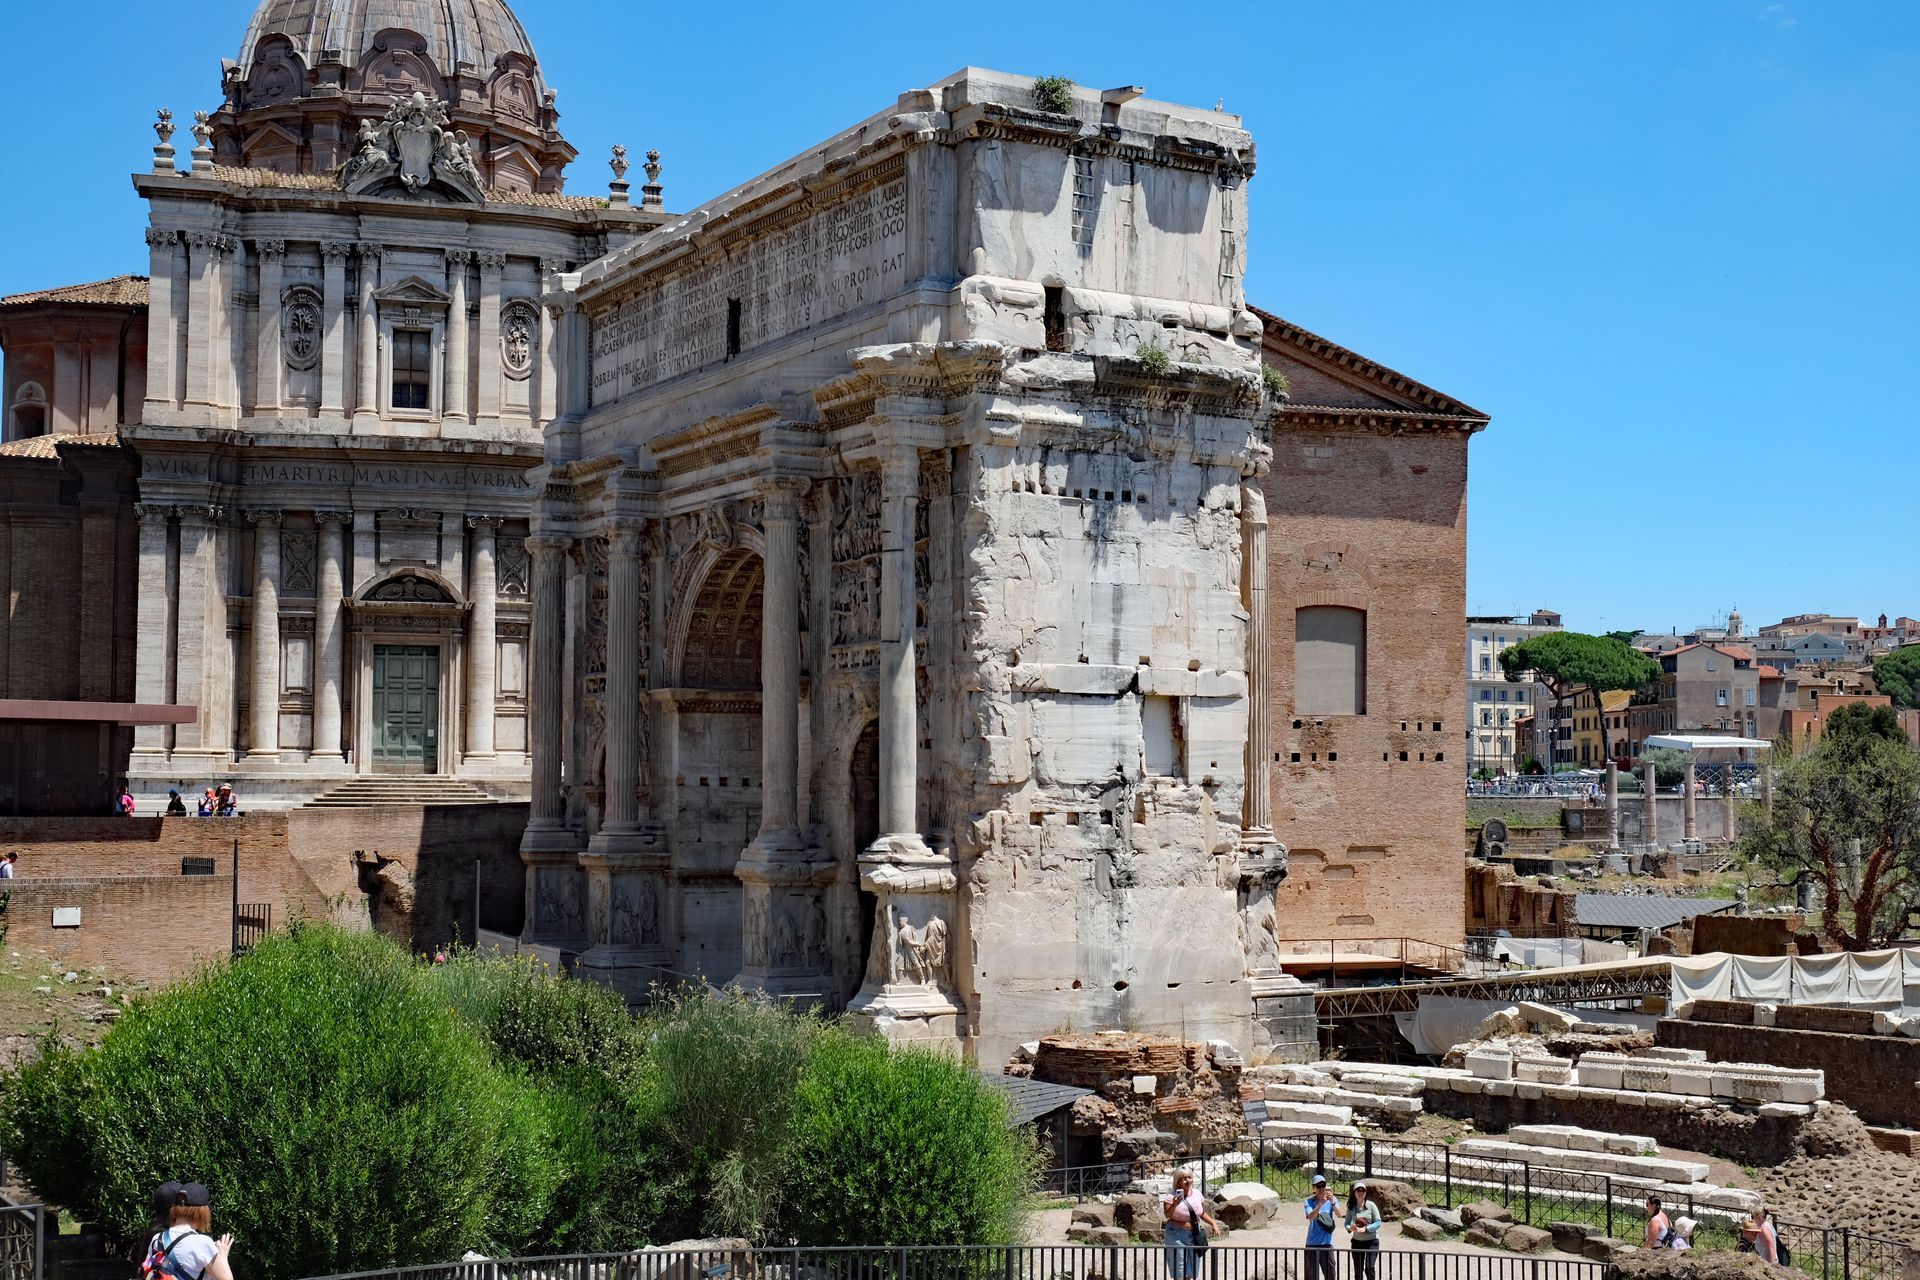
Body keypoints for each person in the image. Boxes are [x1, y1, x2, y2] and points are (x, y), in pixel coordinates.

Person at [142, 1181, 233, 1280]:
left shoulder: (157, 1238)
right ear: (202, 1212)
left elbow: (146, 1272)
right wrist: (222, 1255)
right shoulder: (203, 1243)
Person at [1161, 1169, 1218, 1279]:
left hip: (1193, 1234)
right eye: (1184, 1179)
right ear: (1178, 1182)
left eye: (1189, 1177)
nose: (1188, 1181)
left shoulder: (1197, 1194)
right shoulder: (1170, 1197)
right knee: (1180, 1269)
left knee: (1191, 1270)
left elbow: (1202, 1213)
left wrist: (1213, 1223)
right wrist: (1174, 1204)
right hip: (1176, 1234)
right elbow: (1168, 1215)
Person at [1303, 1173, 1340, 1280]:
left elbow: (1339, 1214)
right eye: (1318, 1186)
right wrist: (1320, 1204)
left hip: (1327, 1244)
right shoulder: (1309, 1201)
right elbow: (1310, 1217)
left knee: (1331, 1275)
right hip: (1312, 1243)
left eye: (1323, 1185)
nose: (1321, 1188)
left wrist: (1332, 1202)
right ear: (1313, 1187)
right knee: (1311, 1276)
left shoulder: (1332, 1200)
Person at [1345, 1182, 1382, 1280]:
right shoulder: (1351, 1207)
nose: (1361, 1192)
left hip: (1372, 1241)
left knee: (1369, 1268)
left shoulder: (1371, 1205)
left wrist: (1366, 1228)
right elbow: (1346, 1223)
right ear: (1354, 1192)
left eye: (1363, 1190)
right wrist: (1350, 1228)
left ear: (1365, 1193)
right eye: (1358, 1190)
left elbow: (1378, 1222)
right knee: (1358, 1271)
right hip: (1357, 1242)